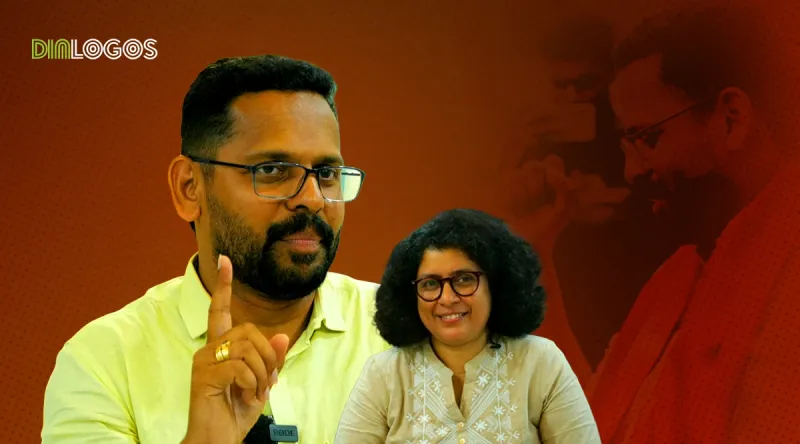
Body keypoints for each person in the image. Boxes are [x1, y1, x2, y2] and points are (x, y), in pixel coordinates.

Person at [41, 55, 390, 444]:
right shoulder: (104, 363)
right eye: (272, 170)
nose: (312, 199)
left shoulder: (405, 335)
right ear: (190, 188)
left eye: (326, 174)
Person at [516, 3, 800, 442]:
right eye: (627, 145)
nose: (632, 171)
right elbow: (597, 421)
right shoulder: (680, 274)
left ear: (732, 119)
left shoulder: (786, 275)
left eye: (648, 138)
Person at [334, 208, 600, 443]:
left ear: (495, 284)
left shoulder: (540, 362)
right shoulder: (384, 373)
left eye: (463, 280)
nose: (447, 299)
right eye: (430, 284)